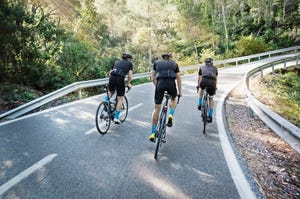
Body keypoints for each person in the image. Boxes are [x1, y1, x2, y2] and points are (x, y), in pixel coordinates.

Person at [149, 52, 182, 142]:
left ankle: (153, 132)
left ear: (162, 57)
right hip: (171, 84)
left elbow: (152, 77)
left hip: (160, 84)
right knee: (174, 99)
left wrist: (158, 87)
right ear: (169, 58)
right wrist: (180, 92)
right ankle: (170, 115)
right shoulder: (175, 64)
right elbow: (179, 79)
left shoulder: (157, 63)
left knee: (156, 108)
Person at [106, 53, 133, 124]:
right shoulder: (129, 64)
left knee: (110, 92)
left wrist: (111, 80)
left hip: (112, 78)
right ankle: (116, 117)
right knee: (120, 98)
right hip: (120, 79)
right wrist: (129, 83)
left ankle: (105, 105)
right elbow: (130, 75)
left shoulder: (116, 62)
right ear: (129, 59)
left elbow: (110, 72)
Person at [197, 57, 218, 123]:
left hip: (203, 81)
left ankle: (199, 104)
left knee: (202, 90)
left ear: (205, 63)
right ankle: (210, 116)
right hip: (212, 83)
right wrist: (216, 87)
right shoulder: (215, 68)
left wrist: (198, 85)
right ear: (212, 63)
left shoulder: (202, 68)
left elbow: (199, 78)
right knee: (211, 98)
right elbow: (216, 79)